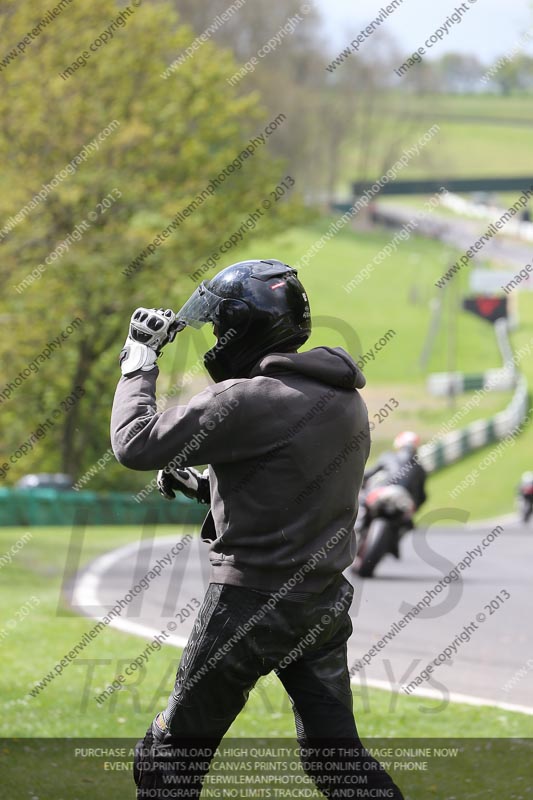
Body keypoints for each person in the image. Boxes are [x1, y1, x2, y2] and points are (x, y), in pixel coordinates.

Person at [110, 259, 404, 800]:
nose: (217, 338)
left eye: (222, 326)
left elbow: (134, 443)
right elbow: (295, 483)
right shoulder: (345, 398)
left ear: (244, 329)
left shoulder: (245, 400)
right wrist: (207, 488)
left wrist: (139, 360)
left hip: (249, 602)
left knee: (168, 760)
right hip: (321, 602)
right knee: (337, 762)